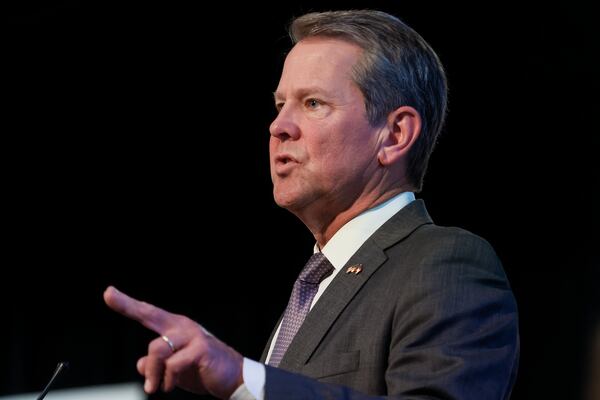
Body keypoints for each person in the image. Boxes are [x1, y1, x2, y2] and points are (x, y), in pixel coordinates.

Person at [104, 9, 519, 399]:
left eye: (313, 103)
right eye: (280, 104)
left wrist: (244, 377)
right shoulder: (315, 285)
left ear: (394, 135)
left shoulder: (445, 264)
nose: (279, 126)